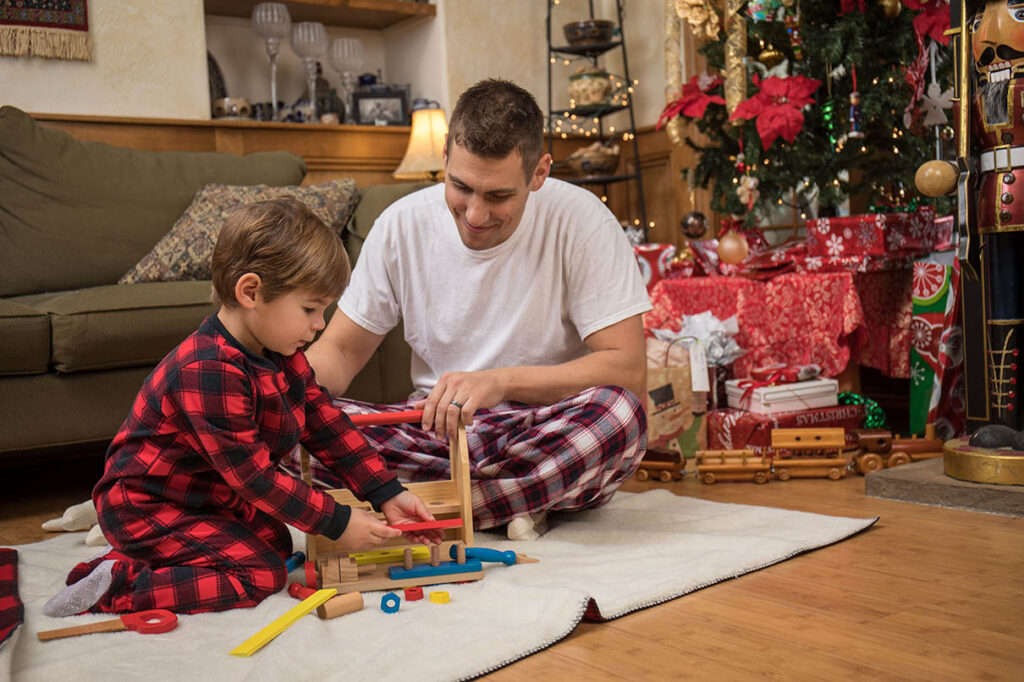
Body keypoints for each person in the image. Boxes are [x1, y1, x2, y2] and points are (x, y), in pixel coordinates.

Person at [44, 197, 439, 617]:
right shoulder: (208, 368)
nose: (320, 324)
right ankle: (119, 586)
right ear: (250, 292)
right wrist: (337, 522)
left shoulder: (281, 352)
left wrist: (385, 490)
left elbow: (323, 422)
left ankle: (150, 560)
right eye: (310, 309)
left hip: (206, 496)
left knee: (278, 542)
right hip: (145, 505)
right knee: (259, 572)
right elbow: (255, 478)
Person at [301, 78, 651, 541]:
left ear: (539, 173)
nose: (475, 214)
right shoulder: (400, 225)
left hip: (544, 426)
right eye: (461, 187)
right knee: (293, 423)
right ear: (445, 154)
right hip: (434, 437)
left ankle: (417, 507)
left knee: (620, 416)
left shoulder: (583, 221)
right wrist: (271, 393)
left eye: (499, 196)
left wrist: (499, 381)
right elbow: (342, 352)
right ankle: (517, 500)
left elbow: (627, 370)